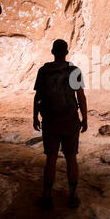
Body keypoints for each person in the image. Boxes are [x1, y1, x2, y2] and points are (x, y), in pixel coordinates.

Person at [33, 39, 88, 210]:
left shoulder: (44, 71)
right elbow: (81, 96)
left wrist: (35, 116)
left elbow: (38, 96)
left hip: (50, 121)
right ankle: (72, 197)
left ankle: (47, 197)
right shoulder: (74, 70)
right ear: (66, 52)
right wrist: (84, 118)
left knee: (51, 158)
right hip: (70, 120)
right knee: (71, 157)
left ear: (52, 52)